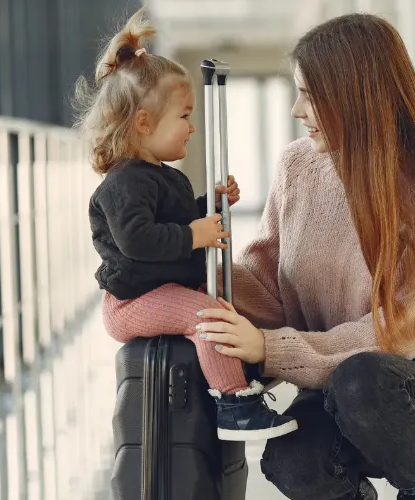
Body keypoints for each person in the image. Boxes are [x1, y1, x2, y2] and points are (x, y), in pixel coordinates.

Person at [193, 12, 415, 500]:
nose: (297, 110)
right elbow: (268, 283)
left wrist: (269, 350)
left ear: (357, 96)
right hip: (338, 384)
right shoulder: (298, 166)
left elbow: (394, 335)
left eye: (311, 95)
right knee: (290, 457)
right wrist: (198, 258)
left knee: (362, 379)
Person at [75, 8, 297, 442]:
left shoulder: (161, 174)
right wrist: (196, 233)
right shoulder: (124, 182)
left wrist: (207, 205)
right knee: (206, 316)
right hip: (132, 302)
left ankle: (249, 364)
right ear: (143, 124)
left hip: (160, 287)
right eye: (184, 116)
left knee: (223, 304)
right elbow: (139, 239)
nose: (193, 127)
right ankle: (234, 403)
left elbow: (170, 221)